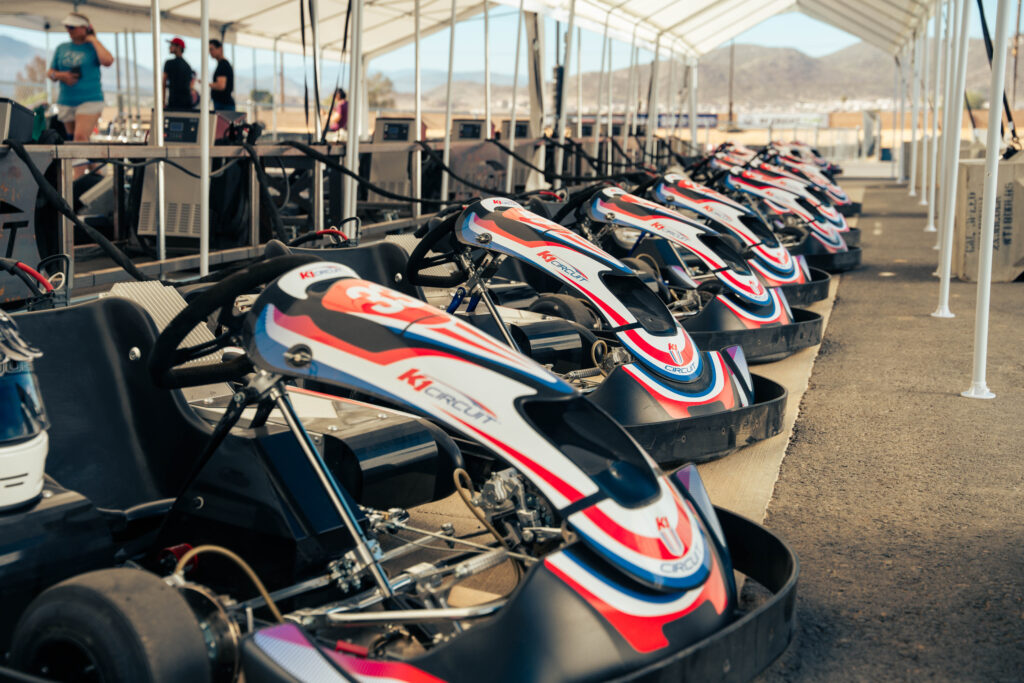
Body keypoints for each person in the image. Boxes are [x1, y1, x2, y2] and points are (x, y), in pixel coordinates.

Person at [47, 13, 114, 143]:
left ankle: (82, 163)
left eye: (72, 27)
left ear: (85, 28)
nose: (69, 30)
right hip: (66, 100)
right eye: (67, 27)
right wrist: (62, 75)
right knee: (73, 141)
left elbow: (108, 61)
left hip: (90, 99)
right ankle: (91, 163)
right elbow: (50, 72)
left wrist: (93, 39)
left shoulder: (93, 47)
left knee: (80, 138)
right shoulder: (62, 48)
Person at [163, 37, 195, 112]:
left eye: (172, 45)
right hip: (187, 103)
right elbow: (191, 85)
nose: (169, 47)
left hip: (174, 103)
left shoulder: (169, 63)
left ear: (179, 47)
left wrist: (162, 101)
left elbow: (163, 83)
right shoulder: (187, 66)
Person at [208, 40, 235, 112]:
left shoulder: (223, 65)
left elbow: (221, 86)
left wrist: (206, 83)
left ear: (220, 49)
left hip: (224, 105)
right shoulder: (222, 64)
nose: (210, 52)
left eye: (211, 49)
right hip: (222, 104)